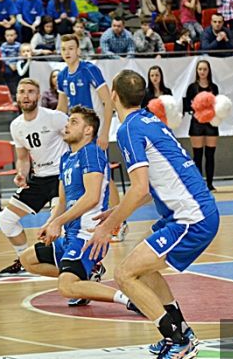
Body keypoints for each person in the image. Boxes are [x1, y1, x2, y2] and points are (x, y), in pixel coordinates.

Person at [84, 69, 218, 359]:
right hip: (191, 213)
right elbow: (148, 188)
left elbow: (139, 187)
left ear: (114, 96)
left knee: (124, 274)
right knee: (142, 269)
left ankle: (178, 341)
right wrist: (116, 211)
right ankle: (182, 332)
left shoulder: (128, 129)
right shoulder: (151, 120)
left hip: (190, 218)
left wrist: (108, 227)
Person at [20, 105, 137, 309]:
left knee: (66, 287)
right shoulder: (66, 158)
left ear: (88, 130)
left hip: (87, 236)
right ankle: (86, 277)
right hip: (70, 235)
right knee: (27, 259)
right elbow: (62, 200)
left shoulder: (91, 152)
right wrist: (50, 223)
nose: (67, 126)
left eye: (74, 122)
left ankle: (131, 300)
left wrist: (58, 222)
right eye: (68, 121)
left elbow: (91, 197)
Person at [0, 78, 69, 275]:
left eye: (30, 91)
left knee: (58, 226)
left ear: (38, 95)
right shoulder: (16, 125)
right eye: (22, 92)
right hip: (39, 179)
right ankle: (23, 259)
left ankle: (74, 265)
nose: (26, 96)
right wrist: (21, 174)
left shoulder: (55, 117)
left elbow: (77, 139)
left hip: (61, 176)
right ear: (17, 96)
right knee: (6, 220)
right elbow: (22, 158)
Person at [56, 34, 124, 239]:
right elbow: (61, 108)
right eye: (64, 49)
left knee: (105, 178)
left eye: (71, 48)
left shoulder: (89, 70)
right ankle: (84, 222)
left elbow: (108, 101)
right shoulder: (62, 76)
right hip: (77, 133)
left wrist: (104, 132)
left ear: (78, 50)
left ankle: (119, 222)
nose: (67, 52)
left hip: (93, 132)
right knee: (85, 179)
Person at [184, 60, 220, 191]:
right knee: (197, 156)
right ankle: (198, 184)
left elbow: (218, 105)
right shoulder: (192, 87)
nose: (202, 72)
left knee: (210, 155)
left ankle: (210, 183)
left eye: (205, 69)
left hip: (211, 123)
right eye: (200, 69)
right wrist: (197, 107)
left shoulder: (214, 87)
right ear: (197, 71)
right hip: (197, 123)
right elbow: (187, 106)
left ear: (208, 71)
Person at [0, 28, 21, 92]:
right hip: (7, 64)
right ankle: (12, 91)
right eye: (8, 36)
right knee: (8, 73)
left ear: (15, 36)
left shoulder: (18, 45)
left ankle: (19, 88)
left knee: (20, 73)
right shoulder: (3, 46)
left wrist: (16, 64)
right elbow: (3, 57)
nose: (9, 37)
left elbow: (20, 55)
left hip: (17, 63)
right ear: (5, 36)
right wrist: (10, 64)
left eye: (11, 35)